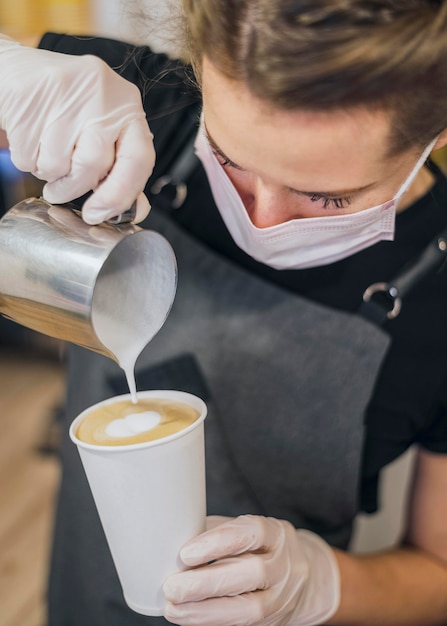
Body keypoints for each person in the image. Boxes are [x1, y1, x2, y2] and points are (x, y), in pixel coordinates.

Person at [2, 1, 447, 624]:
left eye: (326, 196)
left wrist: (319, 583)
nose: (261, 220)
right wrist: (9, 72)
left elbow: (438, 573)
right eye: (229, 160)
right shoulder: (135, 108)